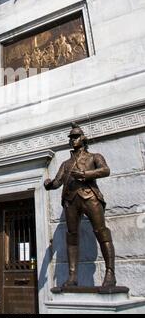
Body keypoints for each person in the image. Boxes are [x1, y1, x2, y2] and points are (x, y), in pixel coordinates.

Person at [44, 123, 116, 288]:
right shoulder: (66, 164)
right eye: (71, 138)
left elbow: (105, 170)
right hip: (71, 200)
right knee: (71, 236)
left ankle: (110, 273)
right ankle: (72, 276)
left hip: (90, 197)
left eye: (76, 137)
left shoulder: (94, 157)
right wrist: (49, 184)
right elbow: (57, 182)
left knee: (101, 232)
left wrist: (85, 174)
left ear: (83, 139)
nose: (73, 140)